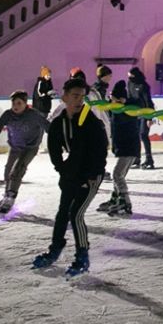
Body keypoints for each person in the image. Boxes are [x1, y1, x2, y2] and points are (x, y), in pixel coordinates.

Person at [33, 77, 108, 277]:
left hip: (91, 176)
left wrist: (92, 175)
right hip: (71, 174)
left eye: (82, 97)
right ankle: (55, 249)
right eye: (75, 96)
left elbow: (100, 150)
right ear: (65, 97)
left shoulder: (90, 121)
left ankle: (82, 255)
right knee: (62, 212)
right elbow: (54, 150)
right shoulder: (59, 122)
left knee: (76, 214)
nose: (79, 100)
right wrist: (62, 170)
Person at [0, 90, 50, 213]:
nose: (15, 107)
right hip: (15, 147)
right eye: (13, 104)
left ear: (25, 104)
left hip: (30, 147)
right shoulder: (8, 114)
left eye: (19, 103)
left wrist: (57, 140)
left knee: (17, 170)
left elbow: (47, 126)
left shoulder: (33, 114)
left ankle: (10, 198)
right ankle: (6, 197)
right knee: (8, 172)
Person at [97, 81, 140, 217]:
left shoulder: (126, 112)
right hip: (126, 149)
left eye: (113, 97)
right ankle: (115, 199)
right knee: (119, 175)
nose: (110, 100)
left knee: (117, 174)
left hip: (128, 149)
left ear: (120, 99)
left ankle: (124, 201)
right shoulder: (118, 111)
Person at [127, 67, 156, 169]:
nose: (130, 78)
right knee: (135, 136)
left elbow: (148, 101)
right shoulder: (129, 84)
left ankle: (149, 159)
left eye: (131, 76)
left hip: (145, 112)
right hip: (134, 113)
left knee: (143, 134)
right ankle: (136, 158)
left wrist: (149, 118)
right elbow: (129, 97)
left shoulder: (144, 86)